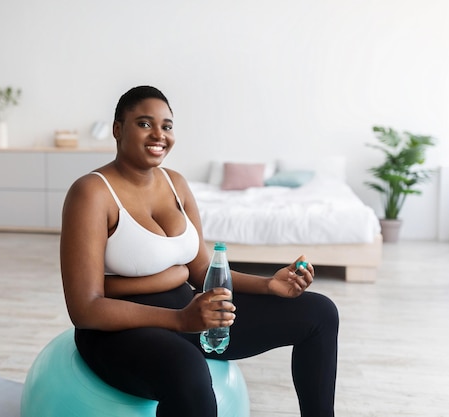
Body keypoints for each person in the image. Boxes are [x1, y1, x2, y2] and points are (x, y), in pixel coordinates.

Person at [60, 85, 338, 417]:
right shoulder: (91, 193)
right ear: (118, 129)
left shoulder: (176, 183)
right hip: (117, 331)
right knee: (188, 368)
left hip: (188, 312)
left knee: (320, 313)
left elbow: (201, 270)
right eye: (145, 123)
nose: (159, 135)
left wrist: (268, 285)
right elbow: (85, 308)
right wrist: (179, 320)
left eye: (167, 126)